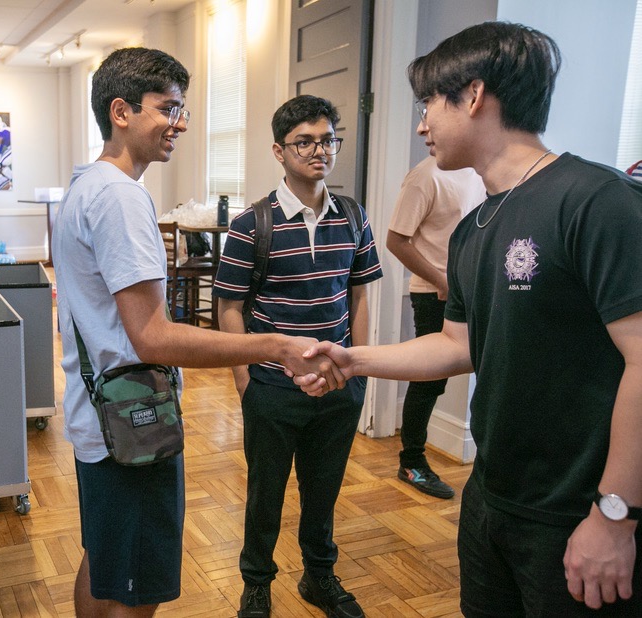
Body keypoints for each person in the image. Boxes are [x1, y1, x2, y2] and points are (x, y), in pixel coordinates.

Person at [293, 21, 642, 616]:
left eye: (429, 102)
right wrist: (354, 361)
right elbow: (459, 344)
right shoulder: (473, 231)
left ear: (474, 95)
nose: (422, 123)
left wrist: (615, 517)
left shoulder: (596, 201)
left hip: (578, 511)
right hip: (492, 498)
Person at [52, 48, 344, 618]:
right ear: (121, 112)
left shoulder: (86, 185)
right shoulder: (119, 197)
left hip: (101, 416)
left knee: (105, 562)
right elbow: (153, 338)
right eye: (169, 108)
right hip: (134, 424)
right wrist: (274, 345)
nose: (181, 123)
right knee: (136, 591)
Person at [212, 95, 382, 618]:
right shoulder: (250, 225)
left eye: (327, 140)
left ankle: (319, 576)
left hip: (336, 386)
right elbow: (229, 308)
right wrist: (245, 380)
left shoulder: (352, 215)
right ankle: (257, 582)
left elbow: (358, 296)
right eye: (304, 142)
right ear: (279, 151)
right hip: (272, 387)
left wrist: (358, 372)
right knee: (266, 492)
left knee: (323, 488)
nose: (319, 151)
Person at [386, 155, 484, 499]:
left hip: (474, 292)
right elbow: (396, 241)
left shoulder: (479, 171)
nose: (424, 127)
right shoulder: (424, 177)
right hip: (435, 296)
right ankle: (411, 462)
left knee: (487, 371)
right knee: (428, 381)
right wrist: (440, 278)